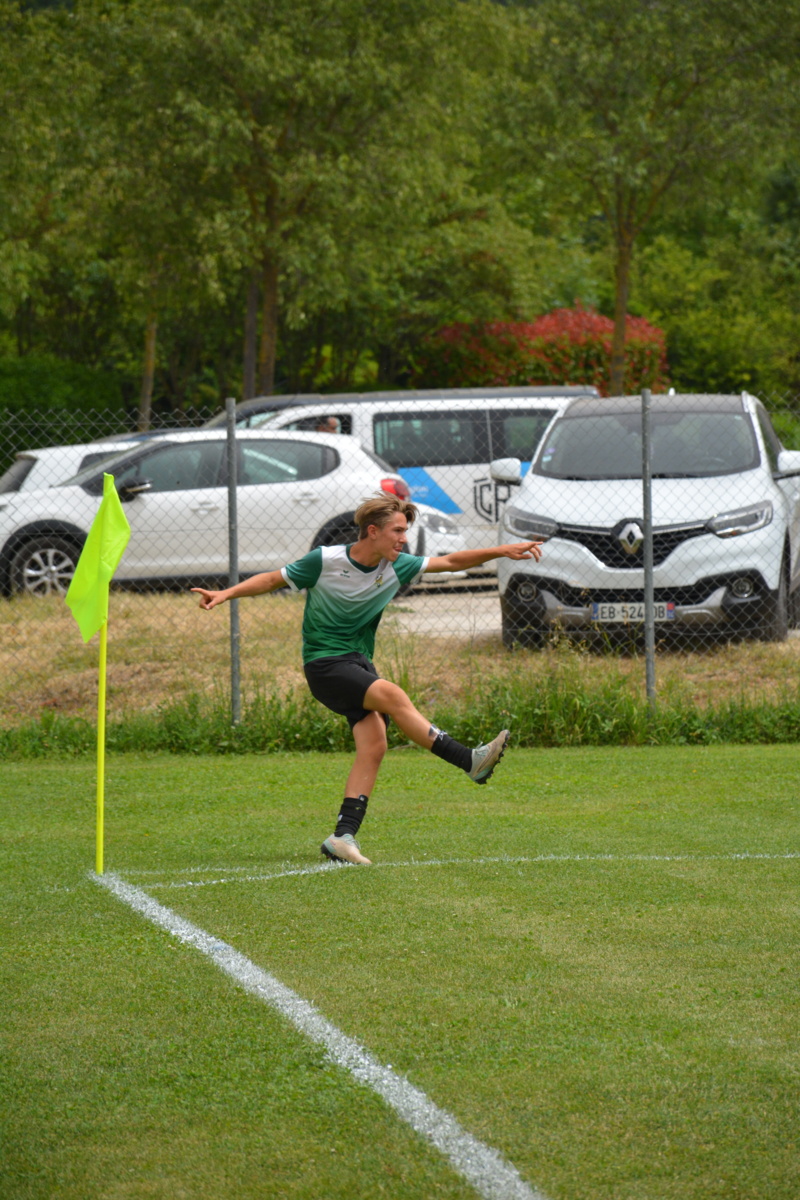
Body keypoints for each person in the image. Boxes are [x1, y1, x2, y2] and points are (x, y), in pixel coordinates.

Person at [191, 493, 543, 866]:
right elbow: (272, 579)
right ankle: (468, 760)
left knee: (374, 744)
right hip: (325, 663)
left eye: (405, 531)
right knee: (393, 696)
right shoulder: (325, 560)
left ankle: (342, 837)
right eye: (397, 531)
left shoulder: (397, 566)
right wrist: (226, 593)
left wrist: (502, 551)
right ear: (372, 531)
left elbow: (452, 561)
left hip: (358, 664)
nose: (403, 539)